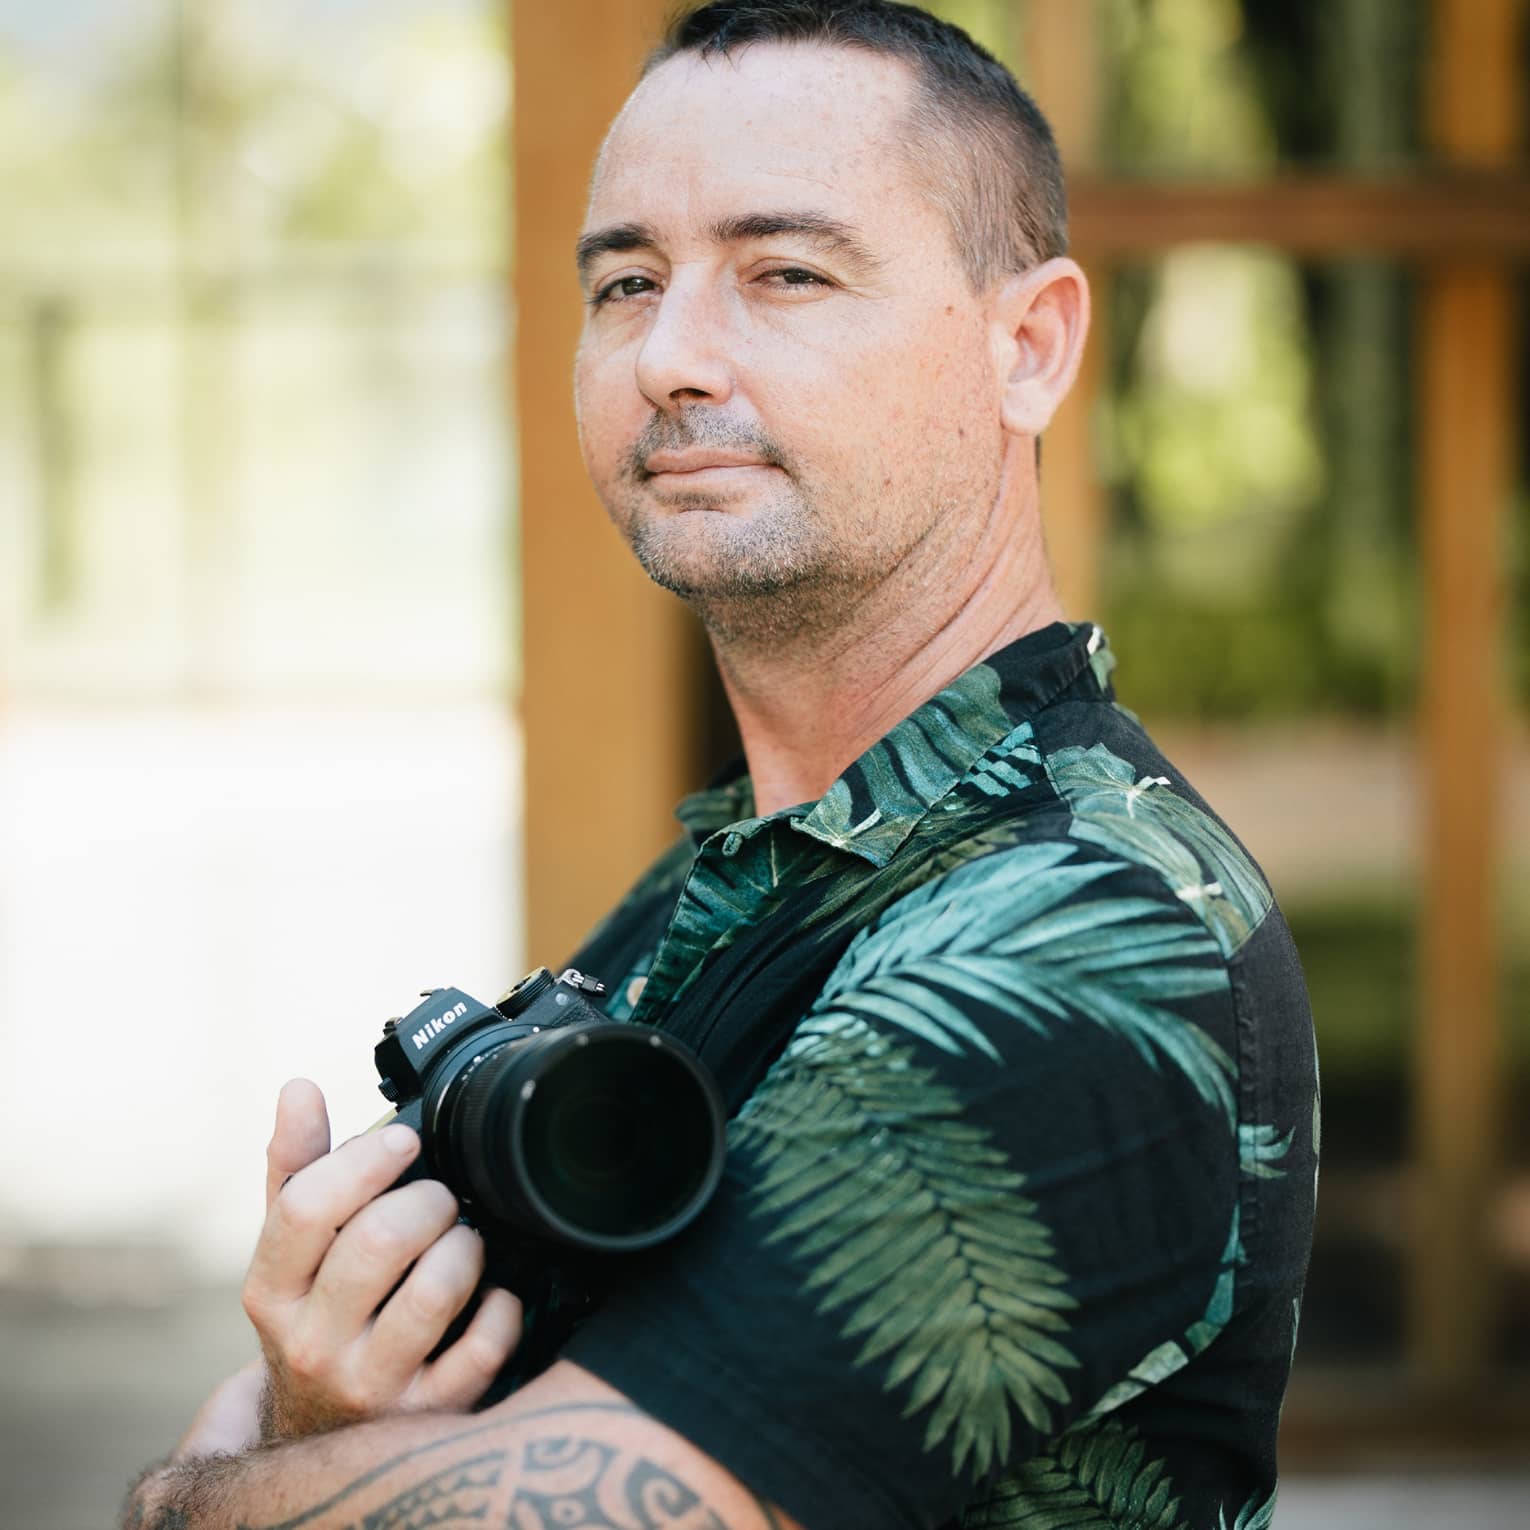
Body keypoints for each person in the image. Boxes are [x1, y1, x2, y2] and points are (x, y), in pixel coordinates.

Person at [123, 3, 1318, 1527]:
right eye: (626, 281)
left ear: (1029, 346)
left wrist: (202, 1486)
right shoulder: (746, 876)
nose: (672, 355)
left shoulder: (1087, 929)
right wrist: (340, 1416)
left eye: (784, 273)